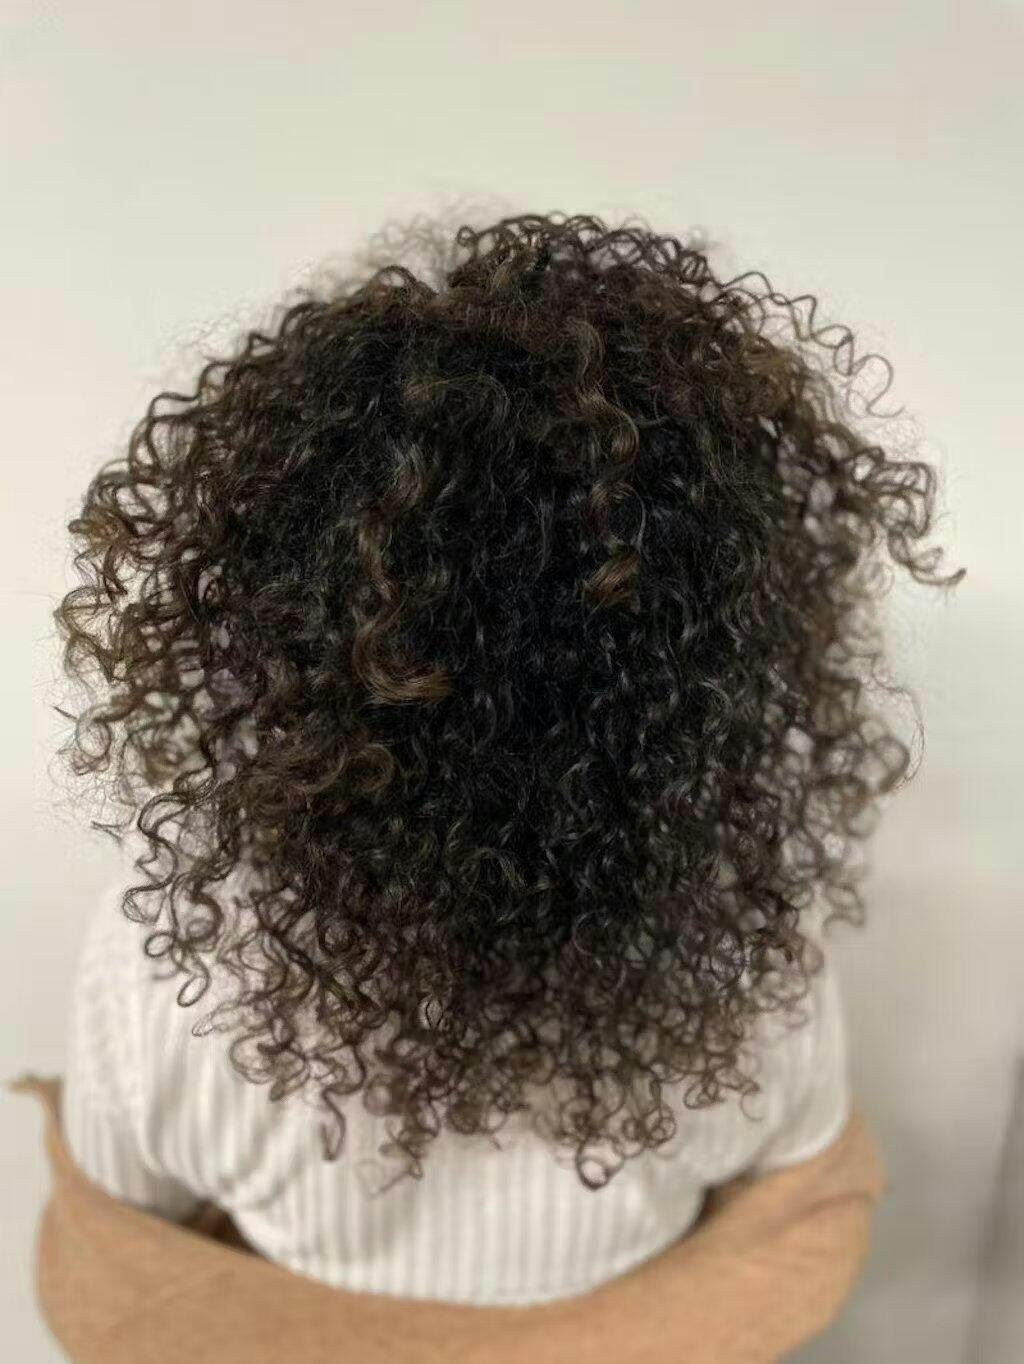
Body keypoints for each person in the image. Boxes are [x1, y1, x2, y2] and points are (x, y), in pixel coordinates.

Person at [48, 211, 961, 1359]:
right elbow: (792, 1184)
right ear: (709, 646)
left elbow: (121, 1236)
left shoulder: (174, 952)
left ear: (278, 609)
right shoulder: (744, 933)